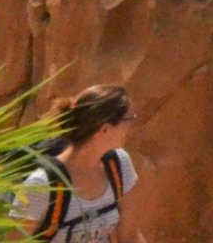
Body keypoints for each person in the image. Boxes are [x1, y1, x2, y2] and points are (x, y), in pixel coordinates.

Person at [14, 85, 135, 243]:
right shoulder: (42, 184)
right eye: (129, 119)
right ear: (104, 130)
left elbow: (130, 235)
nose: (132, 125)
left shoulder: (119, 164)